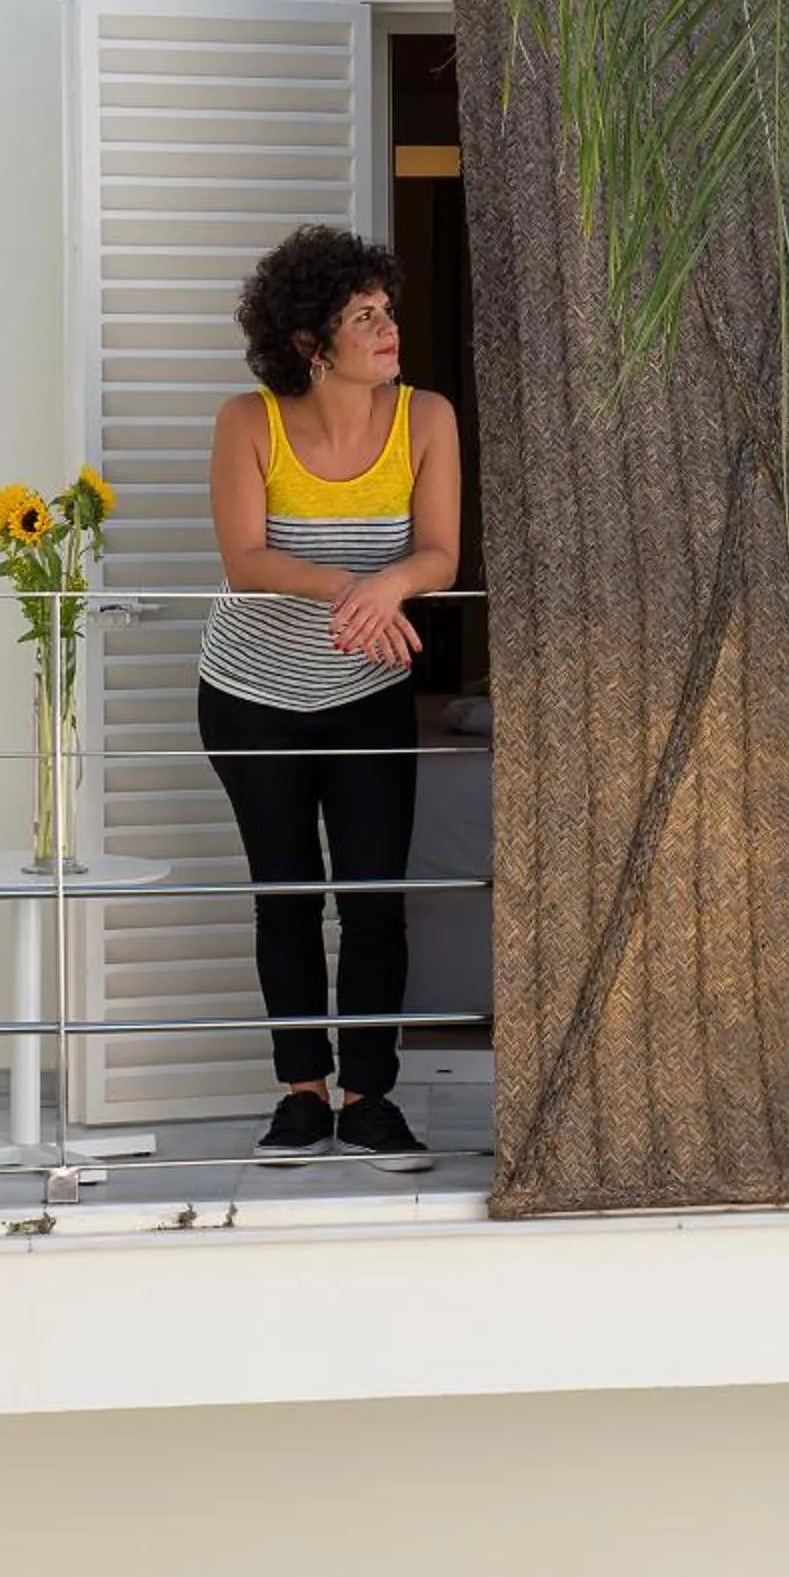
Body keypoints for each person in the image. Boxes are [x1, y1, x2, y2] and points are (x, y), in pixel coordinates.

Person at [198, 226, 461, 1168]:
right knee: (287, 898)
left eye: (388, 310)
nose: (390, 328)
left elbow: (439, 553)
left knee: (375, 900)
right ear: (313, 343)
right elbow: (245, 561)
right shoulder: (249, 422)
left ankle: (371, 1097)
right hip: (251, 693)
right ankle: (302, 1096)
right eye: (365, 317)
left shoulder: (426, 416)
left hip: (367, 689)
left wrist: (391, 586)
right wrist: (354, 587)